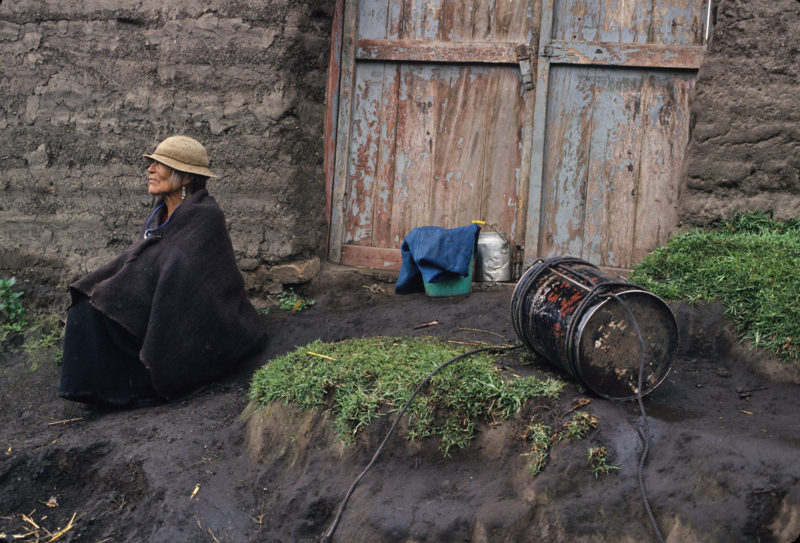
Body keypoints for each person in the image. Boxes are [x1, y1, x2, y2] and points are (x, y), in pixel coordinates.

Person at [59, 135, 267, 407]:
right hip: (155, 301)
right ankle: (99, 390)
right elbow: (143, 262)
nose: (151, 169)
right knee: (86, 310)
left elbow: (186, 277)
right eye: (152, 163)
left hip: (193, 319)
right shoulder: (159, 216)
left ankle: (135, 386)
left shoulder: (205, 217)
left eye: (160, 164)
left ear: (186, 177)